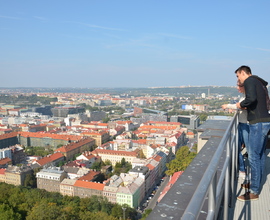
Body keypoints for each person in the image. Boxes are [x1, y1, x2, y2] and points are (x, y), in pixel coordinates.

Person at [235, 65, 270, 201]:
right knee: (259, 155)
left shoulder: (249, 81)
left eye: (238, 76)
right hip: (265, 120)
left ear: (243, 73)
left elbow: (251, 99)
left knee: (254, 157)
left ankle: (254, 191)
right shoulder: (260, 82)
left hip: (258, 122)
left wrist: (240, 105)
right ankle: (255, 183)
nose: (239, 79)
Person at [222, 81, 249, 180]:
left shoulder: (247, 97)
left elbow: (243, 106)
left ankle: (243, 170)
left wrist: (229, 106)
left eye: (239, 86)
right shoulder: (243, 95)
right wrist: (235, 109)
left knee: (242, 149)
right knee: (237, 148)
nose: (237, 88)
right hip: (242, 124)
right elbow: (241, 107)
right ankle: (242, 169)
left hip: (246, 124)